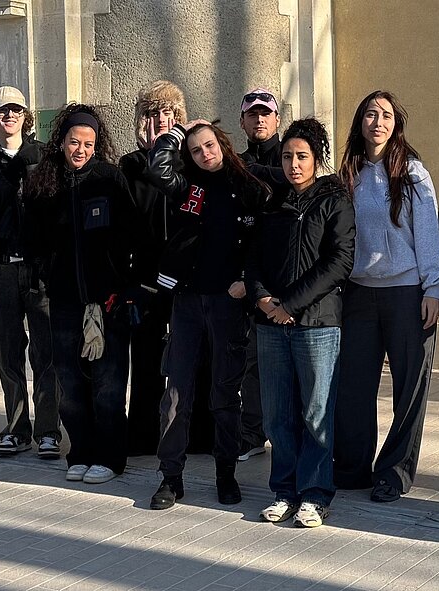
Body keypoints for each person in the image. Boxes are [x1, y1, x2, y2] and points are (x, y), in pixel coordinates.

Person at [146, 119, 268, 510]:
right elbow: (157, 168)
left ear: (223, 144)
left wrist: (247, 280)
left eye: (210, 146)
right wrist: (176, 133)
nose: (205, 154)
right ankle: (171, 477)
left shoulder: (245, 183)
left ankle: (225, 474)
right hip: (186, 302)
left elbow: (262, 237)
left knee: (224, 394)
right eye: (196, 150)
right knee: (176, 394)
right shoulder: (186, 186)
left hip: (227, 303)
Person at [333, 90, 439, 503]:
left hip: (406, 292)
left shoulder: (412, 173)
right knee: (353, 386)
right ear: (359, 123)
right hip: (359, 295)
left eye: (384, 115)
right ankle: (351, 468)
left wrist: (432, 287)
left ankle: (394, 473)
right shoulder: (348, 174)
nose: (376, 122)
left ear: (396, 123)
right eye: (369, 114)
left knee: (409, 387)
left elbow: (428, 233)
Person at [246, 117, 355, 528]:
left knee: (315, 413)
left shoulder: (334, 201)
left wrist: (290, 303)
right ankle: (284, 491)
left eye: (302, 156)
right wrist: (261, 296)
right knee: (277, 415)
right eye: (288, 156)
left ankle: (314, 494)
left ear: (317, 159)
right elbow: (253, 257)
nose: (294, 164)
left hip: (317, 324)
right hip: (272, 323)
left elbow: (339, 262)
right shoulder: (272, 204)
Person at [27, 103, 138, 485]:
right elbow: (35, 242)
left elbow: (130, 236)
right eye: (75, 141)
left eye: (89, 144)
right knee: (70, 382)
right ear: (61, 142)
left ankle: (110, 457)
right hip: (64, 301)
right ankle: (82, 452)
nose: (81, 150)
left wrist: (119, 287)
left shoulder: (109, 178)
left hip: (106, 302)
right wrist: (45, 274)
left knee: (108, 382)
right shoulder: (45, 184)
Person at [0, 86, 61, 460]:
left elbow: (51, 206)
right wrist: (14, 167)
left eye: (16, 110)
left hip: (39, 268)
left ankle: (48, 431)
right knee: (7, 353)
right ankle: (16, 428)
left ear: (27, 116)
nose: (9, 116)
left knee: (47, 353)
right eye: (2, 110)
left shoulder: (43, 155)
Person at [119, 80, 188, 456]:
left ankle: (191, 435)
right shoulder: (130, 165)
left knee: (188, 360)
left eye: (167, 113)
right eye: (151, 113)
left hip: (182, 278)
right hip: (144, 280)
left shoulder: (186, 161)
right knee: (145, 361)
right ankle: (143, 435)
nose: (159, 121)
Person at [236, 87, 283, 461]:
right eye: (253, 114)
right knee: (250, 362)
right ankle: (252, 433)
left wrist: (249, 170)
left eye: (266, 113)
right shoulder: (235, 163)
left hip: (287, 280)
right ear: (243, 122)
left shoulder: (291, 158)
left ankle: (286, 432)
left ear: (277, 119)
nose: (260, 119)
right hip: (245, 280)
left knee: (287, 366)